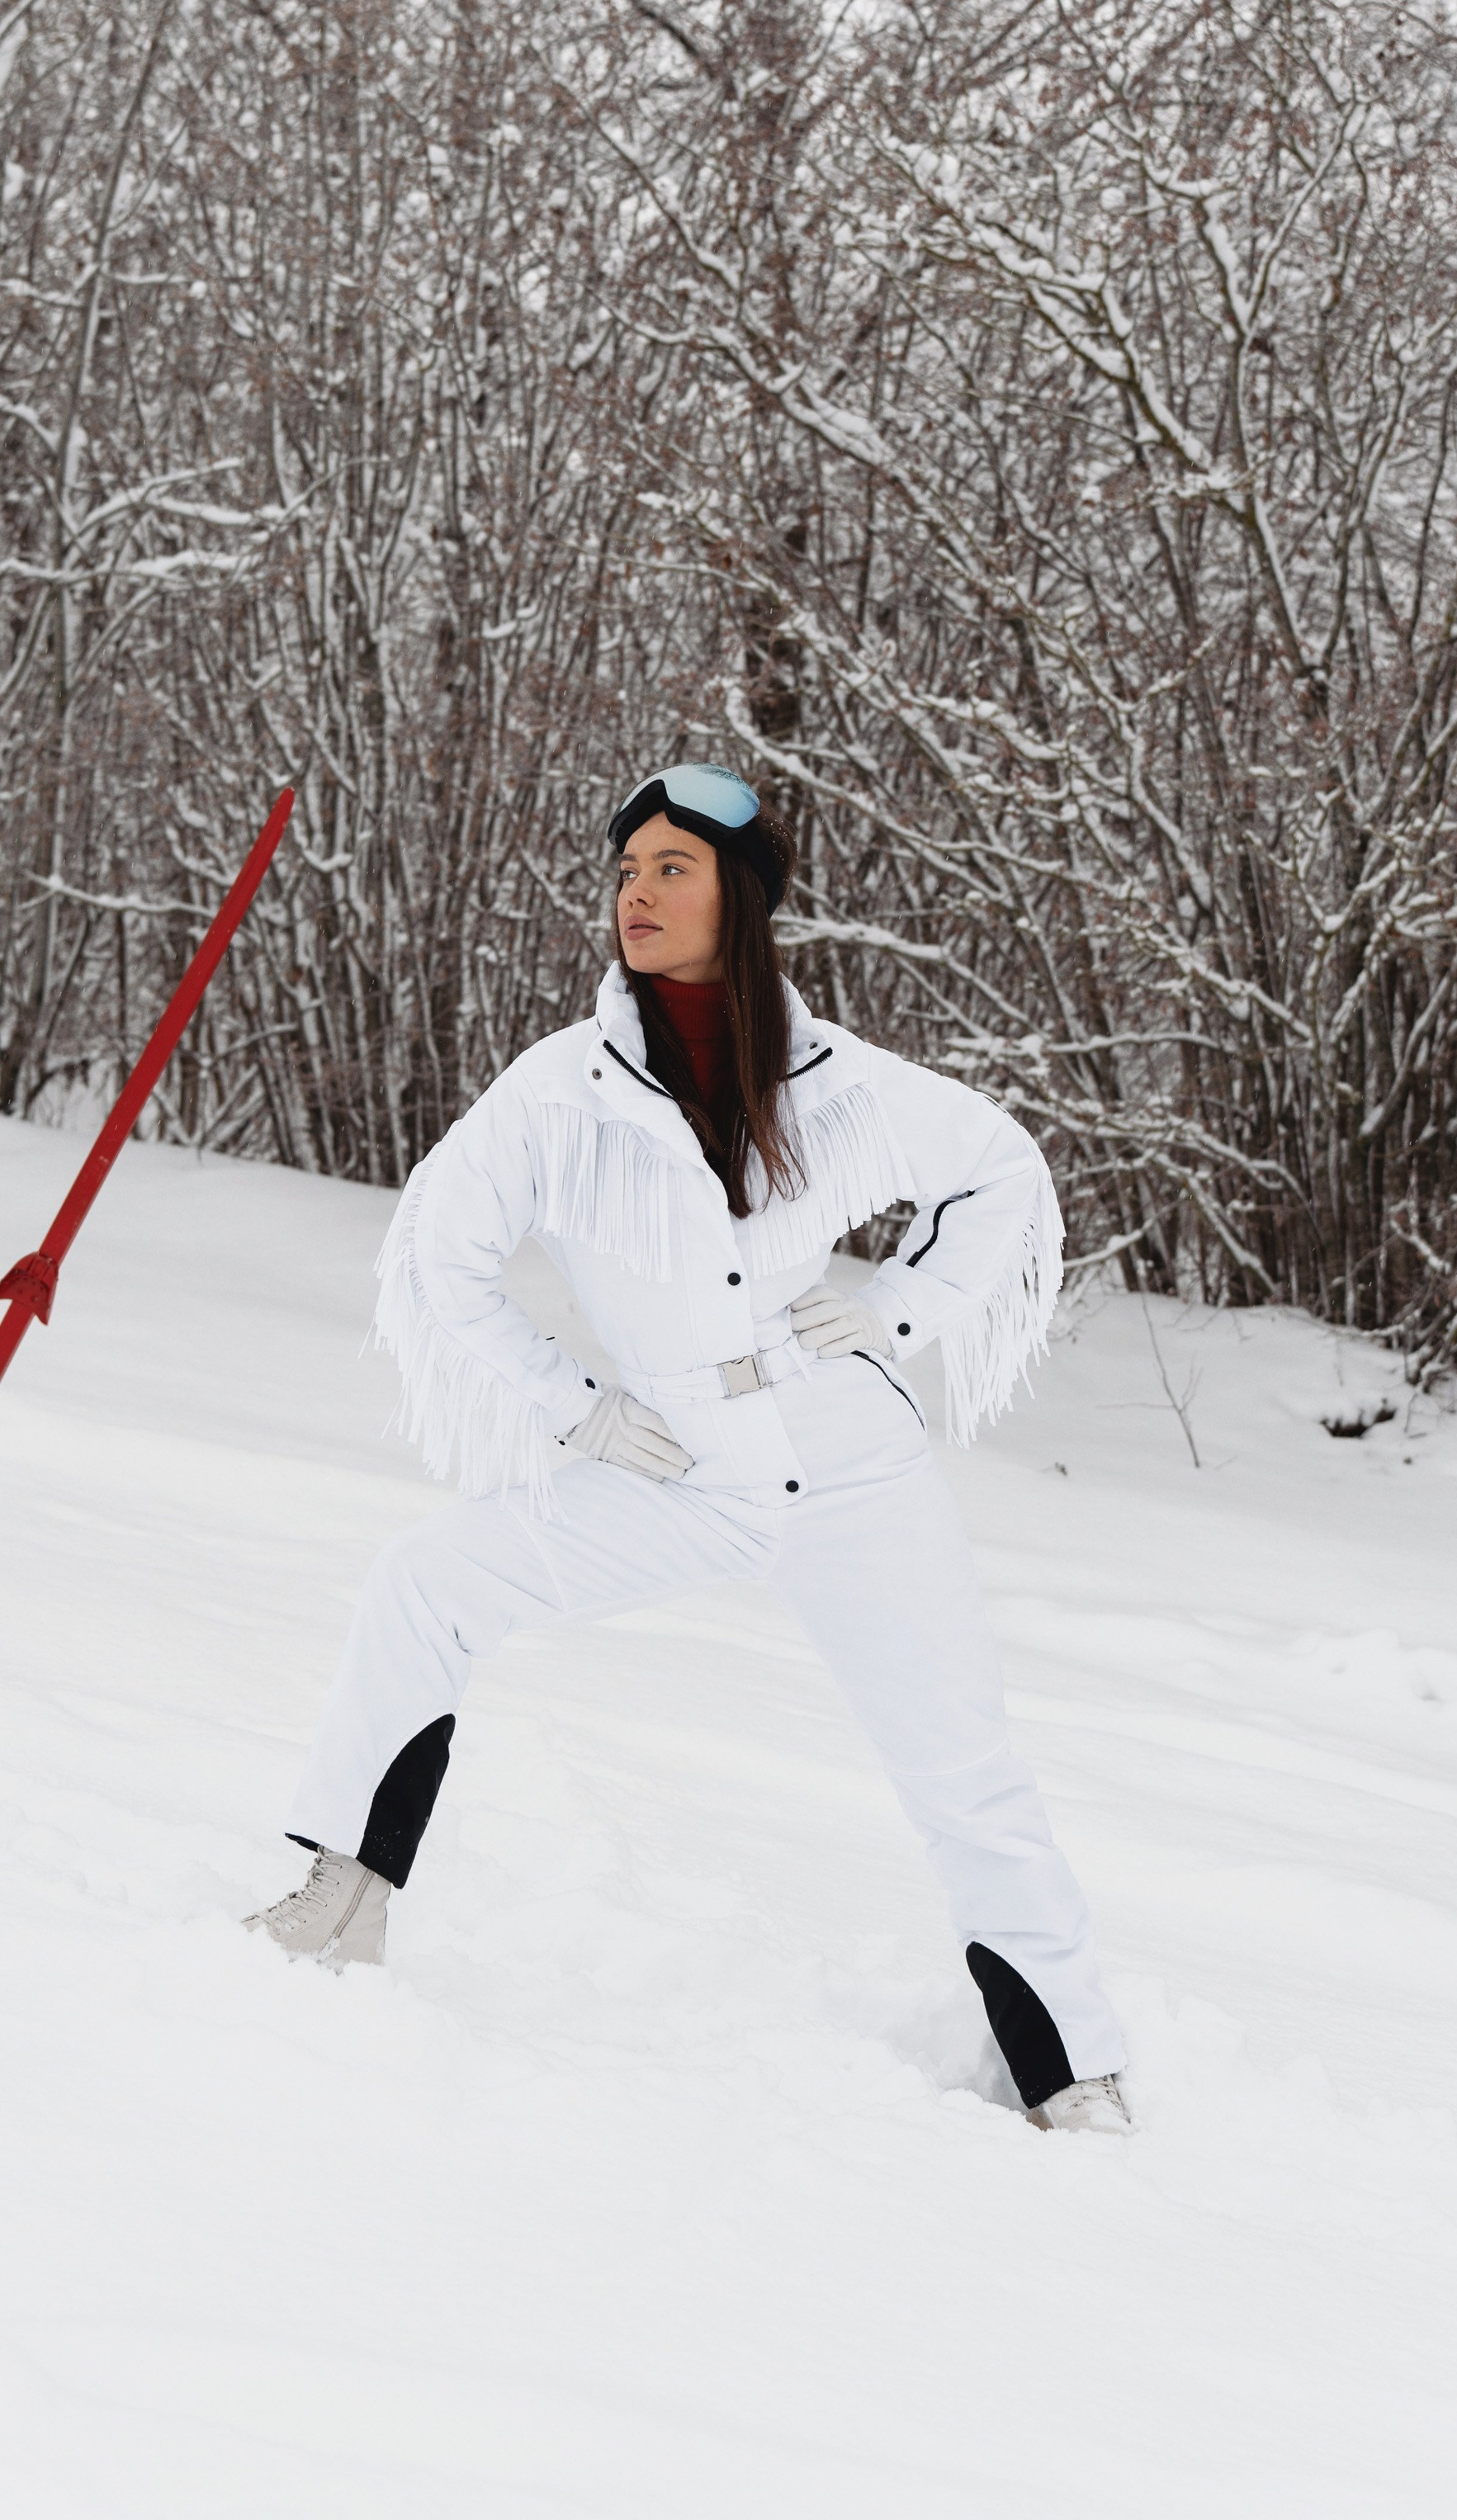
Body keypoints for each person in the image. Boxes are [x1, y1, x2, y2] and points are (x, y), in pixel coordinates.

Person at [247, 764, 1131, 2134]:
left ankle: (1070, 2072)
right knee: (429, 1583)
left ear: (743, 893)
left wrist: (902, 1304)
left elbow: (1003, 1168)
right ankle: (338, 1905)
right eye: (625, 870)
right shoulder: (563, 1091)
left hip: (851, 1463)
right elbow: (440, 1251)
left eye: (673, 867)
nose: (637, 893)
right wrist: (571, 1408)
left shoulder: (837, 1078)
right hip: (674, 1466)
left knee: (964, 1766)